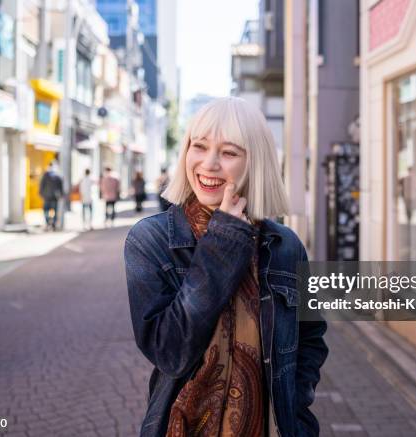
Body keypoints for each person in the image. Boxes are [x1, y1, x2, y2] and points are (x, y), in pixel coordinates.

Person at [124, 97, 328, 437]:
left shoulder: (286, 247)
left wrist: (296, 401)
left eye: (229, 153)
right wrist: (223, 241)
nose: (209, 163)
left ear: (256, 162)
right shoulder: (150, 240)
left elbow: (311, 337)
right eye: (199, 147)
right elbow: (170, 351)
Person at [39, 162, 63, 231]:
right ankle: (50, 223)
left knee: (49, 210)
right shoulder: (54, 175)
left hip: (50, 197)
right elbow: (42, 185)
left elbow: (41, 185)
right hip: (50, 197)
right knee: (50, 210)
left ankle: (51, 223)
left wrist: (41, 193)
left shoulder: (49, 175)